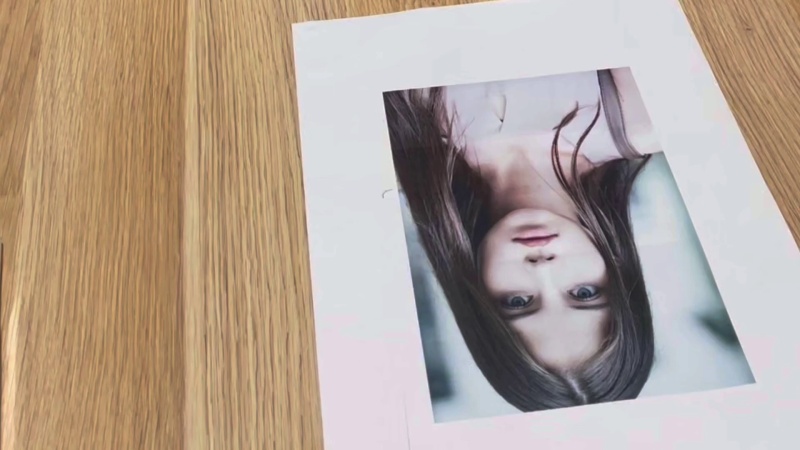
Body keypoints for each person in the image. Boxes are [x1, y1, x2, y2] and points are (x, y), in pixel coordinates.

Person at [384, 68, 659, 411]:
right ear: (618, 275)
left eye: (518, 301)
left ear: (479, 300)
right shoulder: (641, 119)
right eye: (584, 293)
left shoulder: (398, 159)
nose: (543, 268)